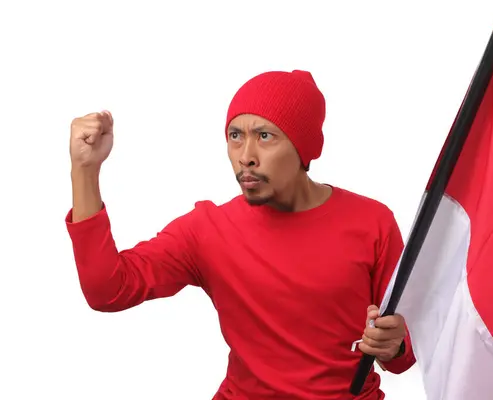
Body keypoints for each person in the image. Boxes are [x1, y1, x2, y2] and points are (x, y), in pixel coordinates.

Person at [66, 69, 416, 399]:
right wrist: (85, 171)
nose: (245, 157)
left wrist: (394, 343)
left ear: (303, 146)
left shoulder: (372, 222)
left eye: (265, 136)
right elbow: (107, 291)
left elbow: (404, 355)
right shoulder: (208, 229)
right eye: (236, 136)